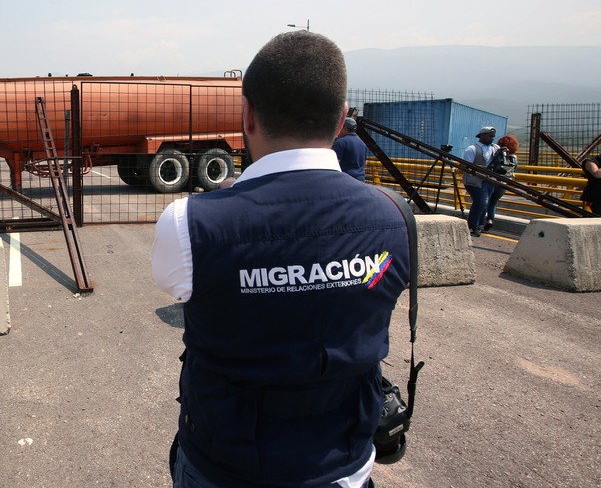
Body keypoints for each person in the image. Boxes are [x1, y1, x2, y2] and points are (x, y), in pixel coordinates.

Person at [151, 32, 411, 488]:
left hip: (225, 466)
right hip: (346, 465)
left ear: (247, 115)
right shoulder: (395, 216)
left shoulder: (190, 223)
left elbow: (174, 286)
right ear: (340, 119)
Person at [462, 127, 499, 237]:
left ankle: (480, 225)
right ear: (482, 136)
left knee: (485, 203)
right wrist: (483, 168)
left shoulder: (495, 148)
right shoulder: (472, 149)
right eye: (489, 136)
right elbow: (465, 166)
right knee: (481, 202)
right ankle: (473, 226)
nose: (491, 138)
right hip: (474, 180)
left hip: (489, 180)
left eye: (492, 136)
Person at [483, 134, 519, 231]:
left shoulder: (498, 153)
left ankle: (482, 221)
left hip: (494, 180)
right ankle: (490, 219)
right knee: (493, 202)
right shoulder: (514, 158)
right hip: (505, 182)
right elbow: (515, 169)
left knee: (485, 201)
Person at [332, 117, 368, 181]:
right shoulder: (362, 143)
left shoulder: (340, 142)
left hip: (345, 180)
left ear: (345, 128)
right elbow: (365, 163)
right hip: (360, 180)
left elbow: (334, 163)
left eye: (340, 127)